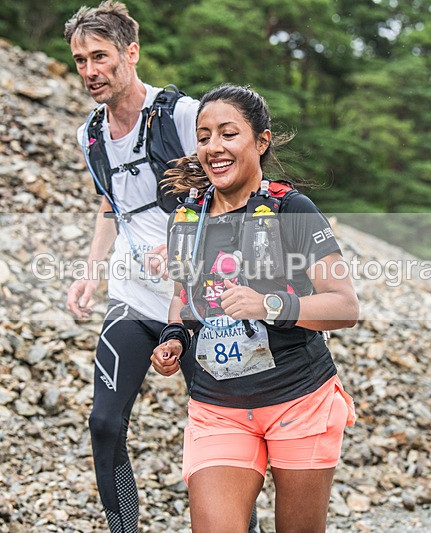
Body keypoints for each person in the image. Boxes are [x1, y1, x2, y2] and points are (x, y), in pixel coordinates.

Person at [150, 84, 359, 532]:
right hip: (217, 405)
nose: (214, 147)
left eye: (228, 133)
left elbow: (344, 305)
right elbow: (182, 300)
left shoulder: (291, 208)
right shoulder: (185, 219)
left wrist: (269, 304)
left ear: (260, 142)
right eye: (204, 136)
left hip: (299, 399)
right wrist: (173, 337)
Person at [61, 3, 224, 532]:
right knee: (105, 423)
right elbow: (112, 204)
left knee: (217, 436)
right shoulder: (90, 135)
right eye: (81, 60)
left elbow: (235, 189)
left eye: (100, 56)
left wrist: (184, 243)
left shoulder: (181, 115)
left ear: (130, 53)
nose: (90, 71)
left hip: (201, 301)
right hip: (134, 295)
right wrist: (92, 269)